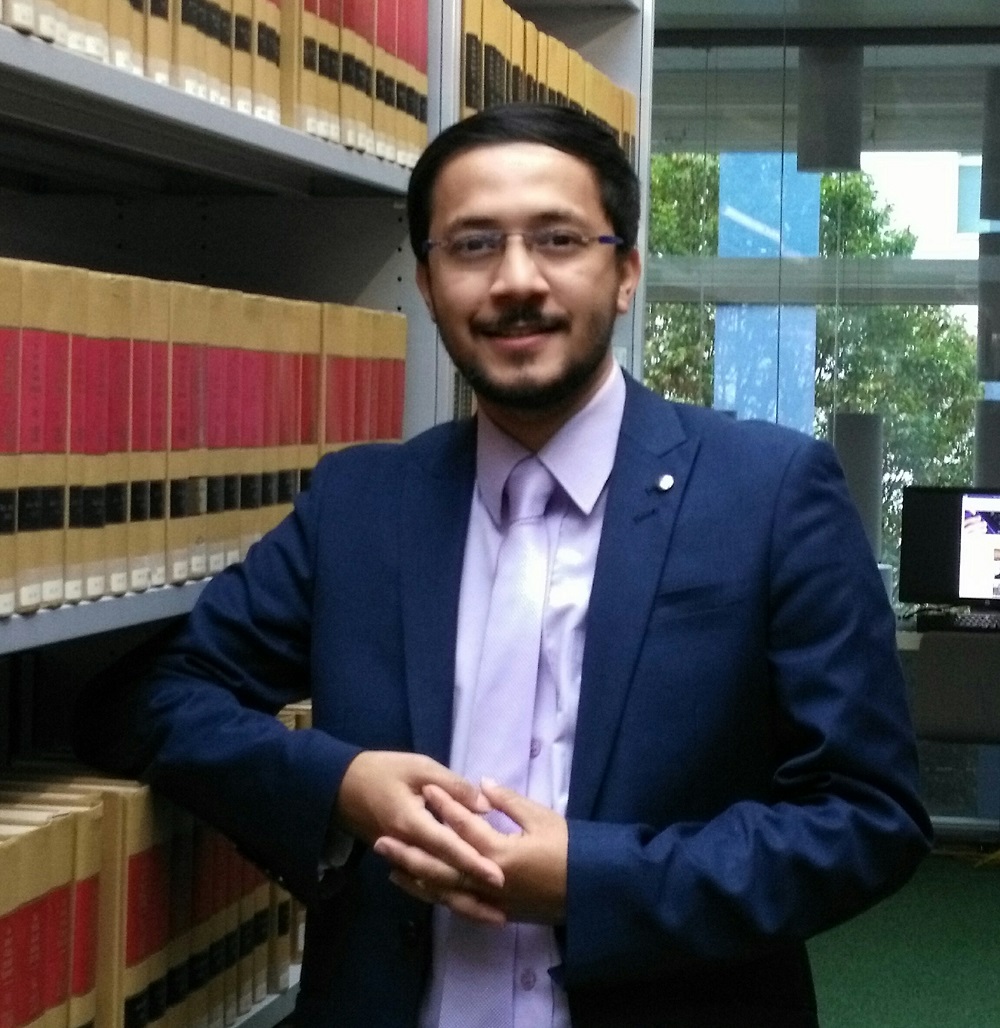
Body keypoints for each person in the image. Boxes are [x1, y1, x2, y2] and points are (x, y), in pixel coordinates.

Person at [74, 103, 932, 1028]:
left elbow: (867, 817)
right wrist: (339, 787)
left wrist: (592, 881)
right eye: (473, 245)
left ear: (626, 273)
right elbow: (153, 698)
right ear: (428, 282)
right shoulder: (361, 505)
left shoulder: (770, 493)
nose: (517, 281)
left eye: (559, 239)